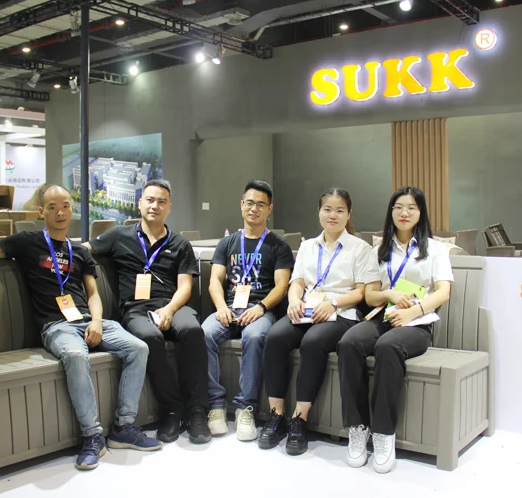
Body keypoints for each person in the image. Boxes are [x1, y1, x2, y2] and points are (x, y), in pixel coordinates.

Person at [0, 184, 160, 471]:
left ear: (71, 210)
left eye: (65, 206)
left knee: (138, 348)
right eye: (52, 207)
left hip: (89, 320)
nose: (60, 212)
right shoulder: (27, 243)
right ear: (41, 212)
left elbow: (93, 295)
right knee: (76, 356)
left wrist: (98, 322)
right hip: (56, 325)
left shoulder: (79, 251)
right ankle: (92, 436)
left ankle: (124, 426)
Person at [84, 179, 211, 444]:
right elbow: (85, 249)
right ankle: (173, 410)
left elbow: (185, 287)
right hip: (135, 308)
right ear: (140, 203)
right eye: (150, 200)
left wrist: (170, 309)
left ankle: (198, 410)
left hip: (172, 303)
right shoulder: (119, 236)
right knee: (149, 337)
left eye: (161, 201)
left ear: (169, 207)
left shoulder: (180, 244)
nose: (155, 206)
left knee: (193, 330)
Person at [337, 186, 453, 473]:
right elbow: (370, 296)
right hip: (383, 316)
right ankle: (357, 426)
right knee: (349, 342)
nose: (404, 213)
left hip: (417, 323)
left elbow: (443, 292)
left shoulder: (435, 249)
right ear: (391, 212)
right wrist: (388, 294)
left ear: (420, 212)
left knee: (387, 347)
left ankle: (383, 431)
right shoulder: (379, 250)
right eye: (398, 207)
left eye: (411, 207)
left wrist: (414, 311)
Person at [258, 188, 379, 455]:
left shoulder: (360, 248)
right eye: (327, 209)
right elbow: (297, 281)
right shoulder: (308, 246)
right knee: (275, 337)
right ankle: (276, 414)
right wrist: (293, 300)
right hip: (306, 310)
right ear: (319, 212)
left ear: (348, 214)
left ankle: (299, 419)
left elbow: (361, 291)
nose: (332, 215)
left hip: (341, 314)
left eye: (339, 210)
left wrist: (333, 303)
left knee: (313, 342)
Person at [202, 180, 294, 441]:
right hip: (229, 307)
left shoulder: (278, 246)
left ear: (269, 209)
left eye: (261, 204)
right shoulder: (227, 243)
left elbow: (282, 286)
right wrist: (221, 306)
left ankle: (246, 408)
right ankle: (216, 406)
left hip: (260, 310)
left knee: (254, 336)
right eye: (250, 203)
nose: (254, 209)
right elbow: (215, 280)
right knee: (204, 333)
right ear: (242, 205)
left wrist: (261, 307)